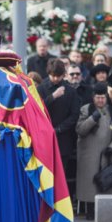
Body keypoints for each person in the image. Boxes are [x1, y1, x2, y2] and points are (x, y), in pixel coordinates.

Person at [75, 83, 112, 220]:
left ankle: (106, 212)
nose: (100, 100)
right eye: (98, 98)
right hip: (89, 154)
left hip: (107, 153)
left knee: (107, 182)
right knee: (89, 183)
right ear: (93, 98)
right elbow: (80, 130)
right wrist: (92, 118)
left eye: (103, 98)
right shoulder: (86, 109)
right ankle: (90, 211)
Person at [37, 59, 81, 195]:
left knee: (61, 175)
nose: (56, 79)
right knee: (45, 175)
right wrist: (53, 97)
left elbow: (74, 115)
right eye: (53, 76)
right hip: (44, 138)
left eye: (59, 76)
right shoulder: (41, 88)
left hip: (63, 139)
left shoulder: (70, 91)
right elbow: (36, 110)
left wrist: (60, 129)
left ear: (63, 75)